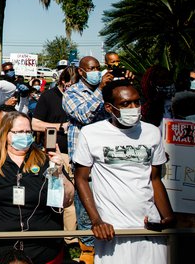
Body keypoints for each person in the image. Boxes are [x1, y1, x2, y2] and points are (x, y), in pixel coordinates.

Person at [73, 80, 175, 263]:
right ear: (109, 108)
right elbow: (81, 179)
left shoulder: (151, 132)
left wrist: (167, 216)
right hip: (112, 229)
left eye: (137, 102)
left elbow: (155, 178)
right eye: (126, 104)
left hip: (149, 226)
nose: (134, 108)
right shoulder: (91, 133)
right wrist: (96, 221)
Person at [0, 111, 74, 264]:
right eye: (19, 132)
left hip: (42, 249)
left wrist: (58, 170)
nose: (25, 135)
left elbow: (65, 200)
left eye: (28, 132)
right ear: (6, 134)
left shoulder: (45, 159)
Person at [62, 56, 115, 263]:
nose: (96, 71)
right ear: (82, 72)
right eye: (91, 68)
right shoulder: (71, 93)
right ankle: (88, 253)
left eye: (98, 68)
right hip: (86, 165)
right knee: (86, 211)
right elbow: (84, 115)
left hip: (110, 161)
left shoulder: (109, 91)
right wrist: (100, 90)